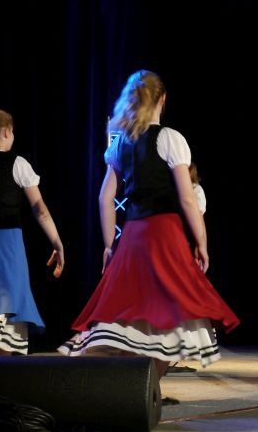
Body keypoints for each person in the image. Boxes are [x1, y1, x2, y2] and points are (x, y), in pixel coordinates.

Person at [59, 70, 239, 400]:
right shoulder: (169, 138)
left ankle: (140, 392)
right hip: (164, 233)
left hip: (133, 235)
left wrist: (109, 245)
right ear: (162, 100)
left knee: (134, 312)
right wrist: (202, 241)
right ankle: (144, 391)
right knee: (172, 312)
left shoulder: (121, 144)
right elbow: (187, 198)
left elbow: (104, 198)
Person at [0, 109, 64, 360]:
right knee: (8, 304)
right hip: (8, 246)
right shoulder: (18, 164)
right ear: (7, 133)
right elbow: (40, 210)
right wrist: (57, 242)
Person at [167, 161, 208, 374]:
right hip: (180, 246)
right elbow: (198, 220)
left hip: (169, 244)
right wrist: (202, 246)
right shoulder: (193, 190)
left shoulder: (168, 188)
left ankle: (169, 353)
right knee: (178, 299)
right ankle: (170, 354)